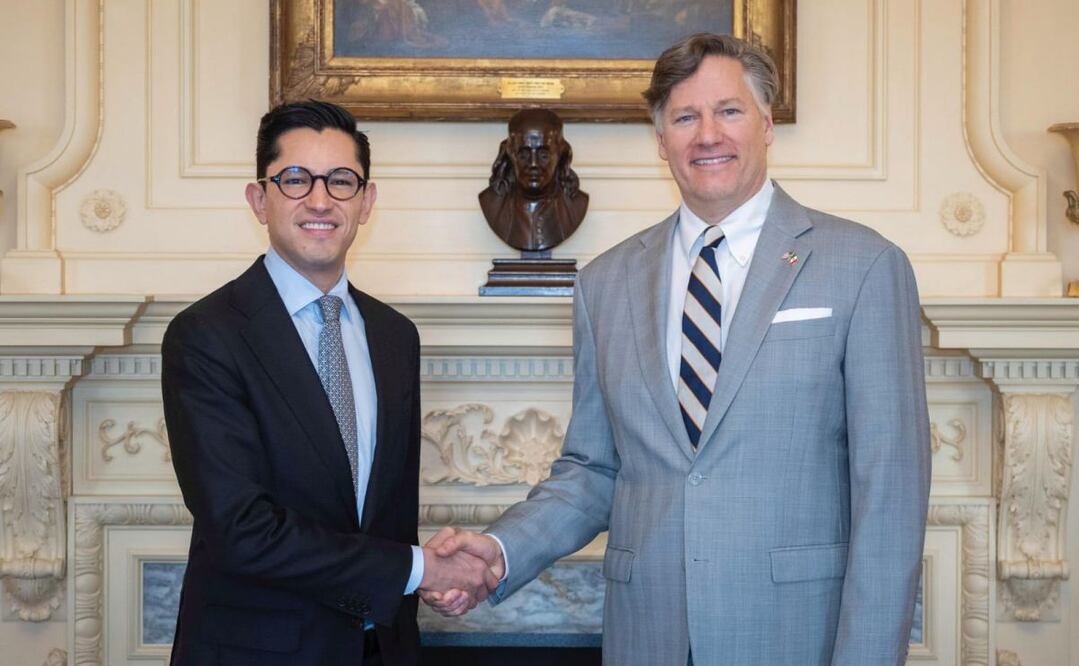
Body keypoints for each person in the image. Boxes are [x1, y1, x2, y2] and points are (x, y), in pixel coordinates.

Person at [424, 33, 931, 665]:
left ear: (767, 123)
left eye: (729, 110)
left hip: (797, 635)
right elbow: (592, 471)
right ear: (661, 140)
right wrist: (498, 551)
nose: (707, 134)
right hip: (649, 637)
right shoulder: (604, 283)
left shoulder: (864, 266)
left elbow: (890, 494)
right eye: (685, 117)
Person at [161, 100, 495, 666]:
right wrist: (420, 569)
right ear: (258, 198)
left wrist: (430, 580)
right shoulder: (206, 335)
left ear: (366, 202)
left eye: (341, 181)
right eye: (295, 179)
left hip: (380, 648)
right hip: (255, 653)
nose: (320, 199)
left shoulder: (395, 336)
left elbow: (385, 516)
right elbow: (240, 528)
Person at [479, 108, 589, 252]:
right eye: (523, 155)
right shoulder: (491, 202)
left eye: (543, 155)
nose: (533, 164)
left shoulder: (577, 204)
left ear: (560, 153)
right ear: (511, 153)